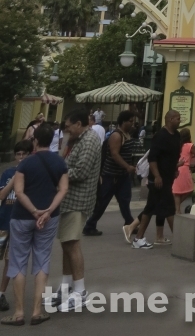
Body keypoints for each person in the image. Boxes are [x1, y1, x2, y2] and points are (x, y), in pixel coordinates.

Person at [4, 123, 68, 326]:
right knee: (42, 259)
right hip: (49, 217)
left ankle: (19, 312)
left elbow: (19, 191)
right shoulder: (59, 162)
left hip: (22, 216)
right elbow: (63, 189)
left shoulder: (25, 164)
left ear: (35, 140)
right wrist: (48, 211)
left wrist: (33, 210)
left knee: (18, 261)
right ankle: (37, 311)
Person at [51, 109, 101, 312]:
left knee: (72, 243)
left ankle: (80, 291)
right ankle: (66, 286)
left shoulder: (89, 141)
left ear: (79, 124)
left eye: (69, 126)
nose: (66, 129)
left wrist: (56, 174)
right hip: (67, 199)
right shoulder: (74, 140)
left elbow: (81, 171)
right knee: (66, 242)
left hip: (78, 199)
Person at [82, 111, 138, 239]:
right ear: (123, 122)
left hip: (122, 175)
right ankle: (89, 226)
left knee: (125, 200)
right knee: (103, 201)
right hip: (111, 175)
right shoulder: (117, 136)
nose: (132, 123)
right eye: (130, 120)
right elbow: (114, 154)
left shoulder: (127, 134)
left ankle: (129, 223)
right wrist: (127, 166)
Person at [132, 110, 182, 250]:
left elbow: (173, 157)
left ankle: (138, 238)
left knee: (150, 208)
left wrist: (175, 169)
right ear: (170, 119)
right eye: (178, 118)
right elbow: (152, 158)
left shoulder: (176, 136)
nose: (180, 120)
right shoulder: (160, 136)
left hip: (168, 177)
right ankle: (180, 240)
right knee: (170, 208)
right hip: (159, 180)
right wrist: (157, 175)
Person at [0, 142, 33, 313]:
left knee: (9, 261)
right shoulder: (7, 173)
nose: (21, 157)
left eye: (24, 154)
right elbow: (2, 195)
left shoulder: (30, 175)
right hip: (2, 222)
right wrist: (14, 179)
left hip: (17, 223)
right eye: (18, 154)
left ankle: (1, 293)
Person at [172, 128, 195, 217]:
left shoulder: (178, 145)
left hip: (177, 168)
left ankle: (177, 209)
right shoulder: (189, 145)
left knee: (177, 191)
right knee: (190, 189)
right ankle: (176, 207)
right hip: (185, 169)